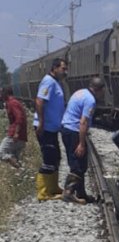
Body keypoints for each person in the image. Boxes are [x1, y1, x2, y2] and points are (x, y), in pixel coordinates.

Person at [61, 77, 106, 204]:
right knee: (78, 164)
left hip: (66, 129)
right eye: (103, 90)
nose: (104, 93)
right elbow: (83, 122)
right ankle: (68, 192)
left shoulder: (80, 92)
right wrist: (81, 143)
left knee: (80, 163)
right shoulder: (90, 100)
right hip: (74, 131)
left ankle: (81, 194)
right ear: (99, 89)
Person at [33, 58, 68, 201]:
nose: (65, 72)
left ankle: (53, 187)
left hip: (52, 128)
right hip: (45, 127)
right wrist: (41, 122)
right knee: (49, 158)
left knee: (56, 157)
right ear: (54, 68)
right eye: (63, 68)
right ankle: (43, 192)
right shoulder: (48, 81)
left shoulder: (56, 83)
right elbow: (39, 101)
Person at [0, 86, 27, 168]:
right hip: (21, 136)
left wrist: (16, 133)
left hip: (15, 136)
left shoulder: (12, 103)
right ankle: (21, 171)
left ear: (5, 93)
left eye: (1, 93)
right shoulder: (11, 102)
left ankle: (19, 167)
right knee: (15, 157)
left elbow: (19, 118)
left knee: (1, 152)